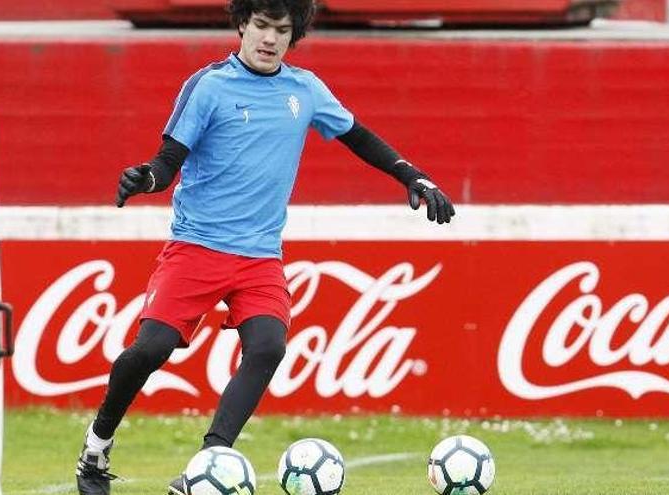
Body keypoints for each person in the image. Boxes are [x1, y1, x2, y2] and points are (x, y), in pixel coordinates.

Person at [75, 0, 455, 493]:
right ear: (241, 24)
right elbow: (167, 161)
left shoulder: (306, 90)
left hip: (259, 257)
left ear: (293, 35)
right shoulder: (209, 86)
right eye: (261, 26)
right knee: (148, 351)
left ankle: (210, 462)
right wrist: (145, 178)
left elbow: (359, 138)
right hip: (197, 247)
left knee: (268, 346)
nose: (270, 38)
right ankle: (96, 448)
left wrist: (414, 177)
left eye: (282, 29)